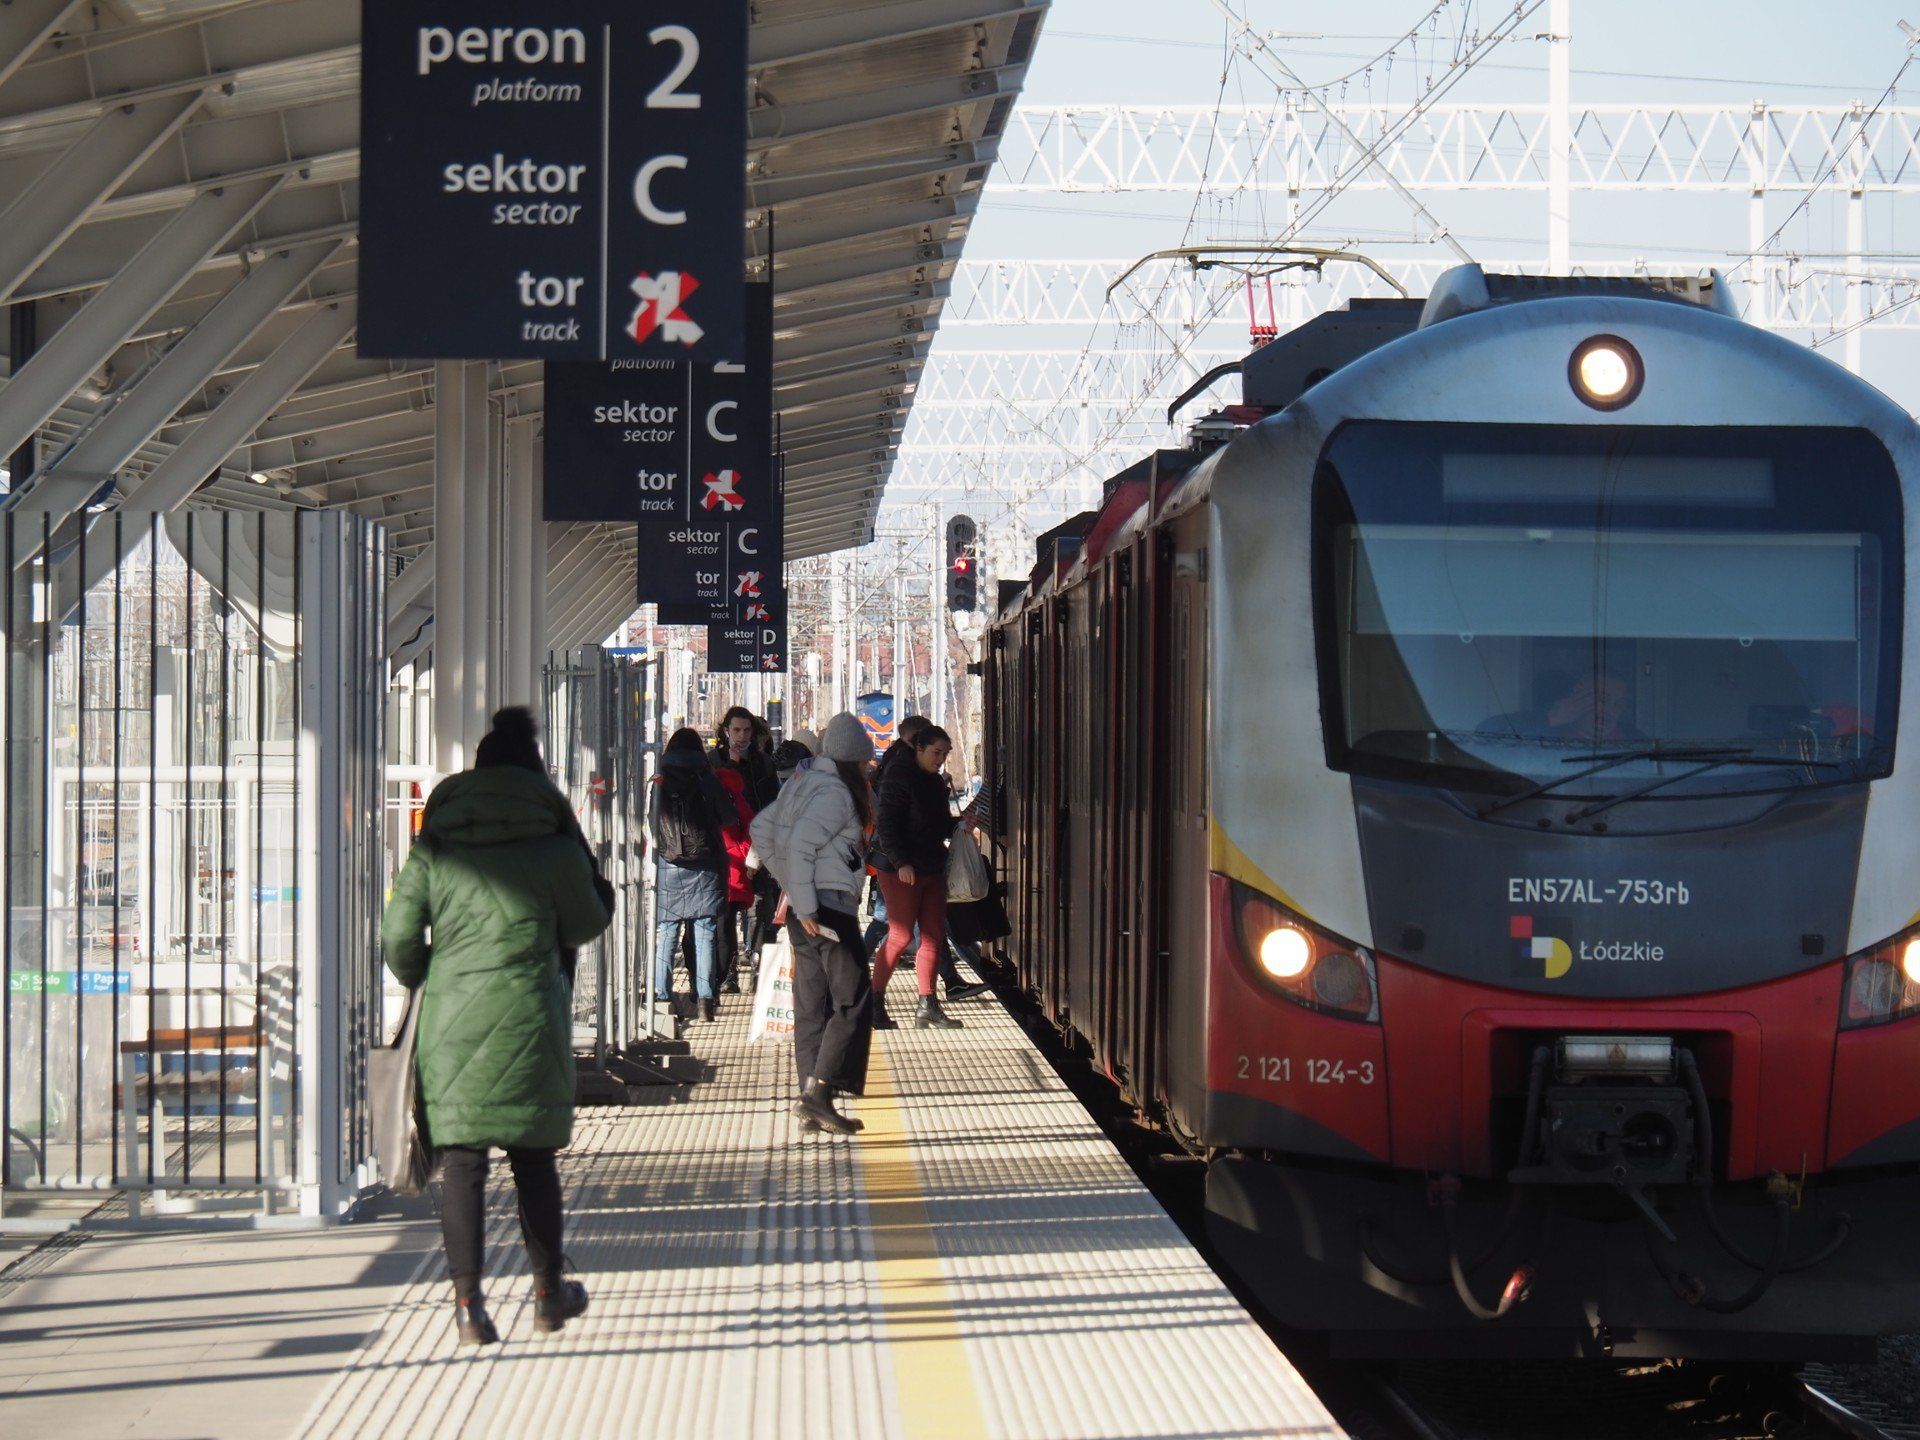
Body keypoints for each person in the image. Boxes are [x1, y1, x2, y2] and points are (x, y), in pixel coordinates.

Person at [381, 707, 613, 1347]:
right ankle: (545, 1295)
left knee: (462, 1164)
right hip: (530, 1014)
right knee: (533, 1162)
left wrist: (432, 971)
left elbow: (399, 937)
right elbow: (586, 923)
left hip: (452, 1016)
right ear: (533, 778)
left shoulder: (437, 842)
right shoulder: (554, 839)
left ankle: (467, 1308)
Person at [756, 712, 877, 1136]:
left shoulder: (802, 784)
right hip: (824, 911)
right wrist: (807, 905)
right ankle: (820, 1093)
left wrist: (791, 888)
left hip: (803, 910)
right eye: (864, 763)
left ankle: (810, 1095)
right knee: (854, 999)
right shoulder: (835, 793)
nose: (868, 770)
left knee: (811, 1005)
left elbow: (760, 829)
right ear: (850, 761)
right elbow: (805, 842)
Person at [872, 723, 973, 1030]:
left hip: (930, 865)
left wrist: (960, 825)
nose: (940, 759)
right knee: (901, 935)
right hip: (899, 868)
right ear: (918, 748)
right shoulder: (898, 776)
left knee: (932, 934)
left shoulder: (933, 782)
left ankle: (928, 1004)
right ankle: (875, 1001)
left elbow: (939, 824)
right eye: (936, 752)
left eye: (945, 754)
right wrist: (901, 861)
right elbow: (886, 824)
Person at [649, 726, 737, 1023]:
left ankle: (662, 997)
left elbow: (650, 821)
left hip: (668, 864)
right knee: (704, 932)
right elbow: (729, 817)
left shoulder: (658, 781)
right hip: (706, 863)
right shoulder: (707, 778)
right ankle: (705, 1000)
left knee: (667, 932)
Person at [711, 706, 776, 993]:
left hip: (759, 845)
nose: (741, 736)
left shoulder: (762, 763)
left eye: (747, 731)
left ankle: (759, 968)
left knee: (758, 908)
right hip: (726, 850)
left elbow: (773, 803)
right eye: (736, 730)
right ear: (726, 731)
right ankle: (727, 972)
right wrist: (731, 766)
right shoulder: (714, 761)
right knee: (724, 914)